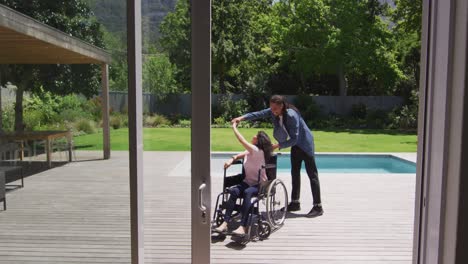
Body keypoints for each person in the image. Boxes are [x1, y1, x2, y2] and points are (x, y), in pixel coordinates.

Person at [231, 95, 323, 217]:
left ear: (282, 106)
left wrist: (277, 145)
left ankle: (318, 206)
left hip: (305, 144)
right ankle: (295, 203)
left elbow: (295, 138)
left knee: (312, 174)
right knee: (294, 173)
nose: (272, 111)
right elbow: (258, 114)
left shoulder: (291, 115)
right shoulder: (274, 111)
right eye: (271, 107)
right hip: (295, 145)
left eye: (275, 108)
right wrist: (241, 118)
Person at [214, 122, 273, 236]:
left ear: (258, 140)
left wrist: (234, 127)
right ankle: (225, 223)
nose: (254, 136)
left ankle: (243, 226)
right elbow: (241, 154)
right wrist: (232, 159)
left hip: (259, 184)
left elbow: (241, 140)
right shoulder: (250, 151)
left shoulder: (257, 151)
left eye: (256, 135)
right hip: (248, 182)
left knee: (247, 192)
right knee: (234, 191)